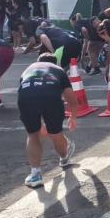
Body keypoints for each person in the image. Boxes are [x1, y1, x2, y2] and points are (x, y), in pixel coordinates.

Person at [17, 52, 78, 188]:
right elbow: (72, 99)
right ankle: (64, 158)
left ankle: (35, 174)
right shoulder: (59, 70)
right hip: (50, 95)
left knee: (32, 135)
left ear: (38, 60)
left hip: (26, 95)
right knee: (55, 134)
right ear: (55, 62)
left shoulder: (29, 69)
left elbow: (25, 89)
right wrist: (73, 117)